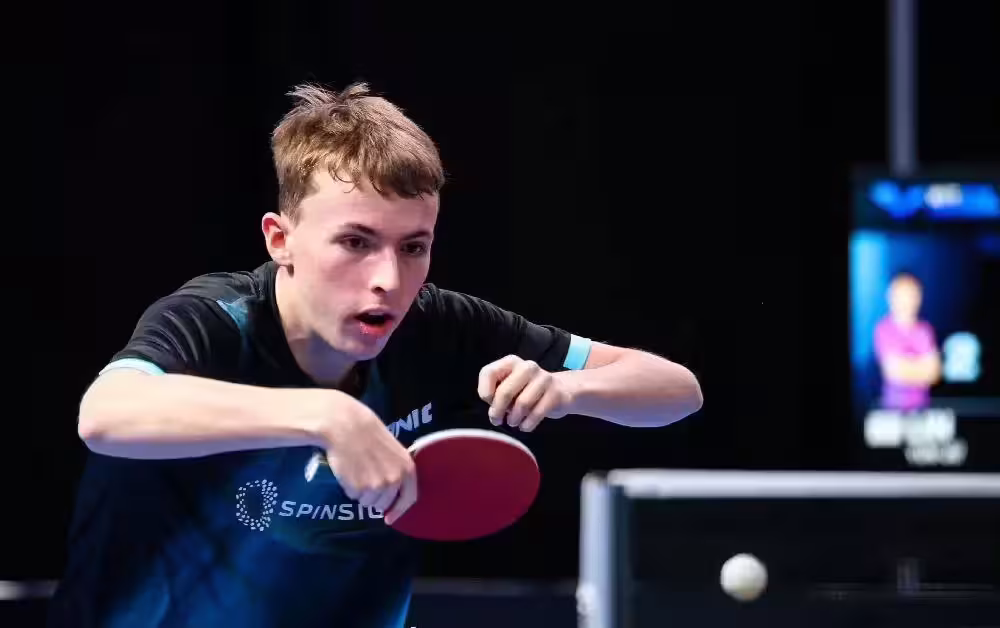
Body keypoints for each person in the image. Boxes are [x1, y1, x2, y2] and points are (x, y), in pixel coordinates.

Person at [48, 83, 704, 628]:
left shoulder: (440, 326)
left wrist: (568, 390)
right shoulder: (216, 321)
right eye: (356, 242)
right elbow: (106, 414)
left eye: (413, 247)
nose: (389, 278)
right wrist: (326, 416)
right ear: (280, 239)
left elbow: (676, 391)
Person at [873, 270, 941, 411]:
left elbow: (934, 374)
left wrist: (907, 366)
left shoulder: (925, 330)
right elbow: (893, 372)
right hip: (893, 409)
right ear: (891, 297)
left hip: (922, 408)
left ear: (919, 298)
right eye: (902, 294)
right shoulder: (883, 329)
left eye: (911, 294)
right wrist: (922, 367)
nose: (907, 300)